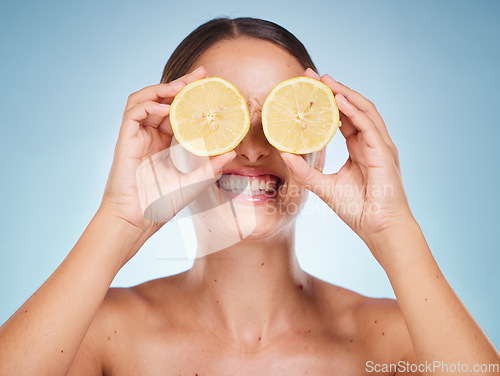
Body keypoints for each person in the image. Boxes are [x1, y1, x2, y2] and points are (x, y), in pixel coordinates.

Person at [0, 17, 498, 376]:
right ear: (172, 137)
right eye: (223, 121)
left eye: (280, 123)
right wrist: (118, 221)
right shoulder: (99, 333)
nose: (253, 150)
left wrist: (395, 230)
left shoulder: (392, 342)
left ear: (322, 138)